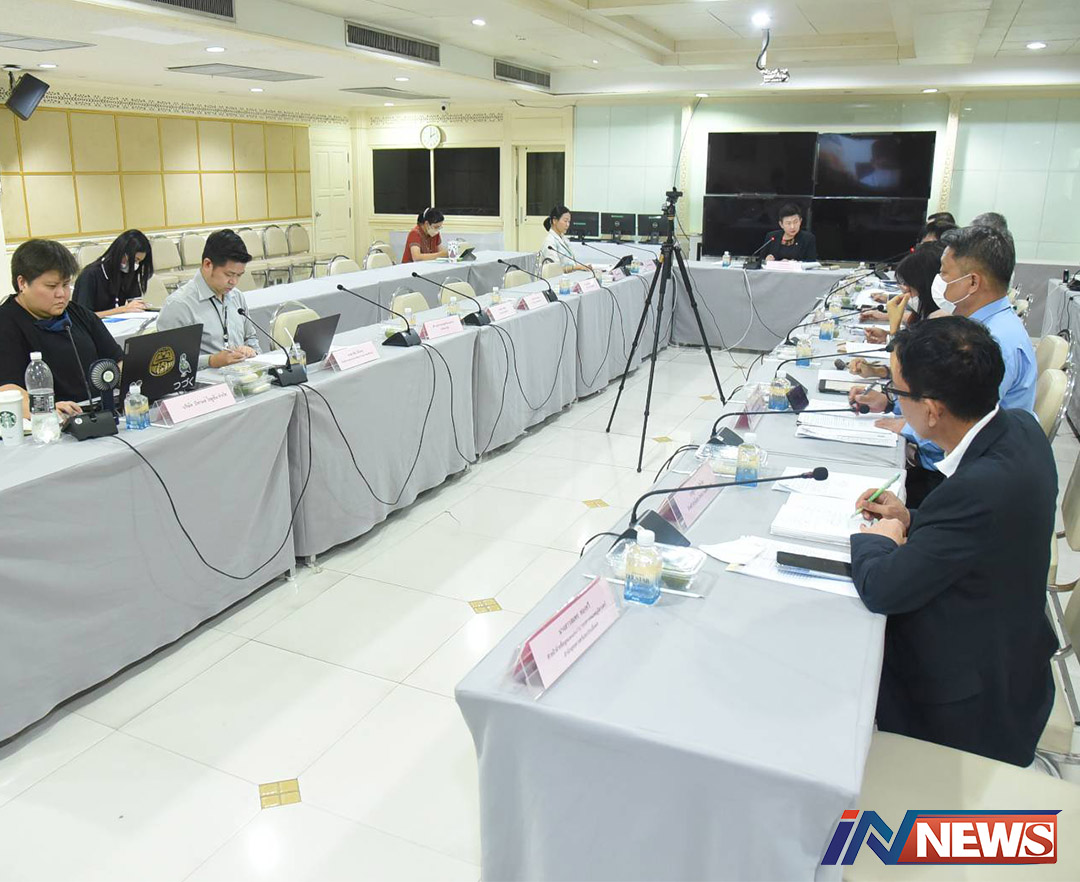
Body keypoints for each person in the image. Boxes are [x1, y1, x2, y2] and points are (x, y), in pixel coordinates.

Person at [850, 316, 1057, 767]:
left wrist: (878, 539)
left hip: (966, 707)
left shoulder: (980, 487)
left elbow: (882, 587)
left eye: (898, 392)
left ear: (931, 410)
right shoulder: (1020, 428)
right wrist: (910, 518)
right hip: (1011, 659)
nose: (895, 401)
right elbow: (979, 531)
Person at [850, 225, 1036, 505]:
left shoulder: (994, 343)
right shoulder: (976, 326)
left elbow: (964, 430)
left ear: (972, 282)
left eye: (944, 274)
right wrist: (891, 402)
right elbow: (939, 394)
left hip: (958, 481)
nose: (938, 281)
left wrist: (905, 426)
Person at [0, 238, 124, 418]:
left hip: (99, 413)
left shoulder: (77, 313)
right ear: (22, 283)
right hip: (50, 422)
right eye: (51, 286)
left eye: (66, 285)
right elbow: (7, 391)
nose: (62, 294)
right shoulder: (6, 323)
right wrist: (47, 409)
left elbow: (116, 359)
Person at [157, 229, 260, 370]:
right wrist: (211, 361)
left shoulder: (237, 296)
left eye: (239, 275)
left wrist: (250, 350)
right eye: (229, 274)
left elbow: (251, 338)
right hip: (203, 382)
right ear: (207, 265)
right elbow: (169, 363)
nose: (234, 282)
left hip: (242, 376)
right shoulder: (179, 305)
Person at [858, 241, 944, 347]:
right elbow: (915, 342)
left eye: (910, 286)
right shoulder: (926, 315)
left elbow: (904, 357)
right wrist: (887, 336)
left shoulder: (941, 323)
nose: (906, 291)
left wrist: (894, 330)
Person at [72, 229, 154, 317]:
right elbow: (83, 317)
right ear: (121, 252)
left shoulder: (128, 272)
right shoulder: (90, 275)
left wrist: (139, 306)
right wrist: (122, 309)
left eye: (139, 262)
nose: (135, 265)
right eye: (135, 260)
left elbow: (134, 302)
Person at [540, 205, 591, 272]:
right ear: (554, 221)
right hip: (558, 278)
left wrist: (581, 267)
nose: (567, 225)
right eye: (565, 221)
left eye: (569, 222)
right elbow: (555, 270)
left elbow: (570, 263)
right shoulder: (549, 242)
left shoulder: (564, 239)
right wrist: (577, 268)